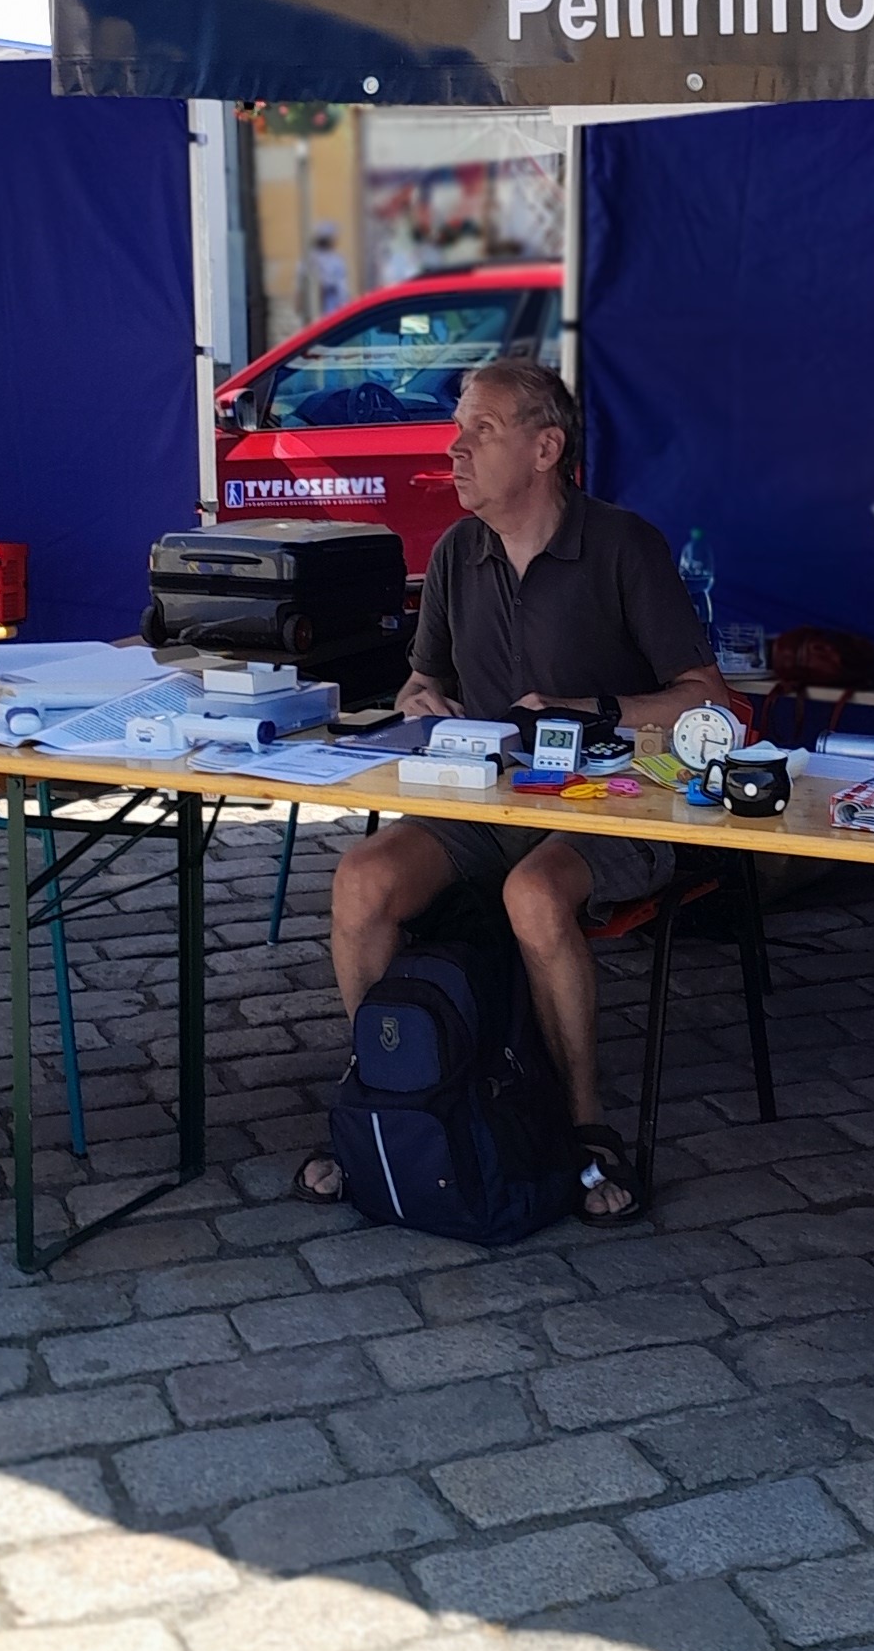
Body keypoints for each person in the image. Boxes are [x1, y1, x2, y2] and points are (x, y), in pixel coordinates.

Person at [313, 356, 734, 1220]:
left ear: (546, 449)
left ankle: (583, 1126)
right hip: (483, 799)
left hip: (615, 799)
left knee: (534, 894)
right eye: (458, 429)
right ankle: (390, 1093)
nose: (455, 449)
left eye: (483, 430)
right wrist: (420, 701)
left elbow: (709, 702)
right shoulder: (455, 551)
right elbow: (421, 680)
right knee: (361, 878)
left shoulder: (623, 544)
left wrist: (594, 709)